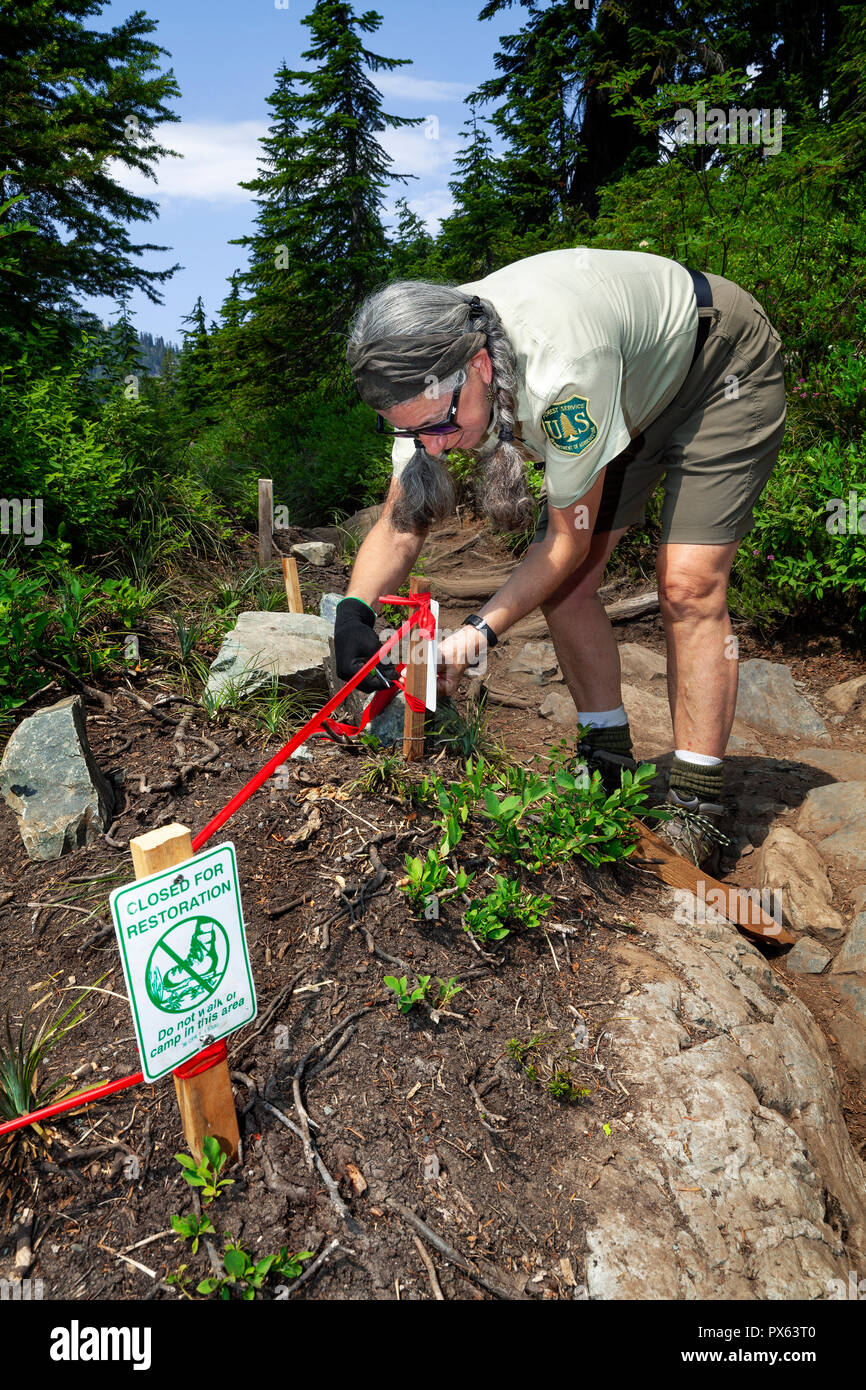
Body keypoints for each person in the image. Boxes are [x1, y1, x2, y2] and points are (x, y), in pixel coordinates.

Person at [335, 247, 786, 867]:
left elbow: (564, 542)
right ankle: (607, 754)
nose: (432, 447)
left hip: (714, 367)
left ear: (481, 366)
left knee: (688, 583)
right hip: (626, 386)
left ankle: (697, 803)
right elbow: (401, 519)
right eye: (411, 433)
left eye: (438, 427)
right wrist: (353, 615)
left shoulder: (563, 373)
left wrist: (477, 632)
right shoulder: (416, 366)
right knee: (572, 591)